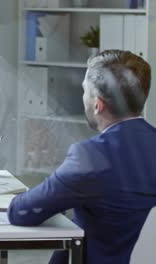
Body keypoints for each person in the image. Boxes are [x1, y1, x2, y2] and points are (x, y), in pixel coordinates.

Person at [8, 50, 156, 264]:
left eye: (85, 90)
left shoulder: (91, 157)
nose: (83, 97)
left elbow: (22, 212)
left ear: (98, 104)